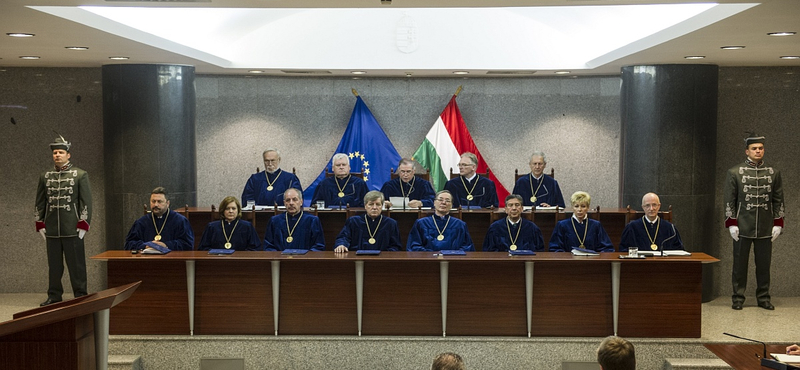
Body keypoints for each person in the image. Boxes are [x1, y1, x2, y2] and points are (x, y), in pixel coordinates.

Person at [725, 133, 784, 311]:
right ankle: (737, 298)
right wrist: (731, 223)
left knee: (764, 265)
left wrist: (778, 223)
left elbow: (778, 199)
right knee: (739, 265)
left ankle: (764, 298)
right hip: (742, 225)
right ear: (747, 151)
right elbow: (729, 200)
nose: (758, 151)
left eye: (760, 148)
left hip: (765, 226)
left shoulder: (773, 173)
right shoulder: (734, 172)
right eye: (754, 149)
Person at [35, 134, 92, 306]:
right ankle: (54, 295)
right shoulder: (45, 176)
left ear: (68, 155)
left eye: (60, 152)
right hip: (52, 228)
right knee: (54, 266)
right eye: (55, 153)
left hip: (72, 227)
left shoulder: (80, 175)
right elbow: (40, 201)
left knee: (77, 265)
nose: (57, 155)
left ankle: (81, 294)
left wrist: (84, 223)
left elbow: (86, 201)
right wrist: (40, 223)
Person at [124, 187, 194, 251]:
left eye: (159, 201)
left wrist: (166, 245)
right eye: (153, 201)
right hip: (147, 261)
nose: (156, 205)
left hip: (171, 261)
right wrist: (145, 246)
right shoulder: (141, 222)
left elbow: (188, 244)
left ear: (167, 203)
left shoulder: (180, 221)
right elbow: (129, 244)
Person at [334, 191, 402, 252]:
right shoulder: (353, 221)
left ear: (382, 206)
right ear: (365, 206)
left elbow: (396, 246)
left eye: (378, 204)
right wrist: (341, 245)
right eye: (371, 204)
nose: (374, 207)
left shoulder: (391, 223)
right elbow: (343, 237)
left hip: (382, 260)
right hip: (357, 258)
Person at [407, 190, 475, 251]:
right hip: (428, 261)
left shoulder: (460, 224)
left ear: (451, 205)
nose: (444, 203)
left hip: (452, 260)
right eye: (440, 200)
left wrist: (451, 255)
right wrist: (430, 255)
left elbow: (467, 247)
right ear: (434, 203)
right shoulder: (421, 223)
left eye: (447, 200)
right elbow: (414, 246)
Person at [549, 191, 614, 252]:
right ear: (572, 208)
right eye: (576, 206)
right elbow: (554, 248)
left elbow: (607, 248)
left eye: (583, 206)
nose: (579, 209)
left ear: (588, 208)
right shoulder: (562, 225)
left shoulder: (596, 225)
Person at [619, 192, 684, 252]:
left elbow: (679, 250)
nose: (651, 208)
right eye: (647, 205)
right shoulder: (632, 227)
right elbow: (623, 250)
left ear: (659, 206)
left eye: (654, 205)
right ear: (643, 207)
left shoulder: (670, 228)